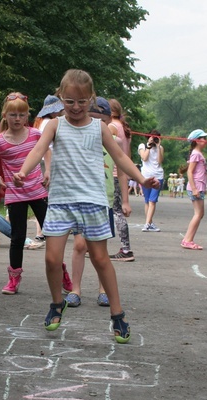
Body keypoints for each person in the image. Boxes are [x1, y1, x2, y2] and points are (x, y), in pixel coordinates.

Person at [14, 69, 159, 343]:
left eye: (82, 101)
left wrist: (142, 179)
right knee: (52, 258)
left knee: (102, 259)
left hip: (92, 201)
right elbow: (36, 151)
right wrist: (24, 171)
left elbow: (120, 157)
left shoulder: (99, 127)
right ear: (60, 98)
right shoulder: (55, 125)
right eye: (69, 101)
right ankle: (57, 304)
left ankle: (117, 314)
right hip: (61, 201)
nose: (76, 107)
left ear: (91, 98)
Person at [0, 92, 72, 295]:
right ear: (5, 115)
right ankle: (14, 278)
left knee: (52, 235)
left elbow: (46, 149)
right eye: (13, 115)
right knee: (17, 237)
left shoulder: (35, 134)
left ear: (27, 116)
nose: (17, 119)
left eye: (21, 115)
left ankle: (61, 272)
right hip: (15, 194)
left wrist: (47, 169)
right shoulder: (0, 141)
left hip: (38, 191)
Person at [64, 97, 131, 309]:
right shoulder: (78, 138)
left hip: (104, 201)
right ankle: (75, 289)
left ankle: (103, 289)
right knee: (80, 244)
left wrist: (125, 201)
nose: (95, 123)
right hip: (80, 198)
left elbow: (121, 171)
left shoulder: (113, 141)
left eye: (100, 119)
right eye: (92, 118)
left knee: (100, 249)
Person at [32, 95, 64, 242]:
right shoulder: (50, 123)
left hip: (41, 162)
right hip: (48, 162)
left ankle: (42, 230)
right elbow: (48, 148)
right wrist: (49, 169)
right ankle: (43, 230)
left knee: (43, 197)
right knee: (48, 198)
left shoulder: (39, 123)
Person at [107, 99, 134, 262]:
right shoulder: (124, 128)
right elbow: (128, 155)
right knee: (115, 209)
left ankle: (126, 249)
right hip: (122, 171)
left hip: (113, 172)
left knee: (116, 211)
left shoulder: (111, 127)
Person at [181, 129, 207, 250]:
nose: (206, 140)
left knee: (200, 214)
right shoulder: (196, 154)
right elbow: (190, 172)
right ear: (197, 140)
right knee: (198, 214)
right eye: (203, 138)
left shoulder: (198, 153)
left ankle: (187, 239)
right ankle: (188, 240)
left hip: (199, 186)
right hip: (196, 187)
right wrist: (194, 188)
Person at [138, 130, 164, 232]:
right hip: (145, 176)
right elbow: (144, 158)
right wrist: (148, 146)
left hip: (158, 176)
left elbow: (160, 161)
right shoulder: (142, 146)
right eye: (153, 137)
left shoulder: (160, 148)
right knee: (147, 201)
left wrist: (158, 147)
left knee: (152, 201)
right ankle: (150, 222)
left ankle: (147, 224)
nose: (154, 139)